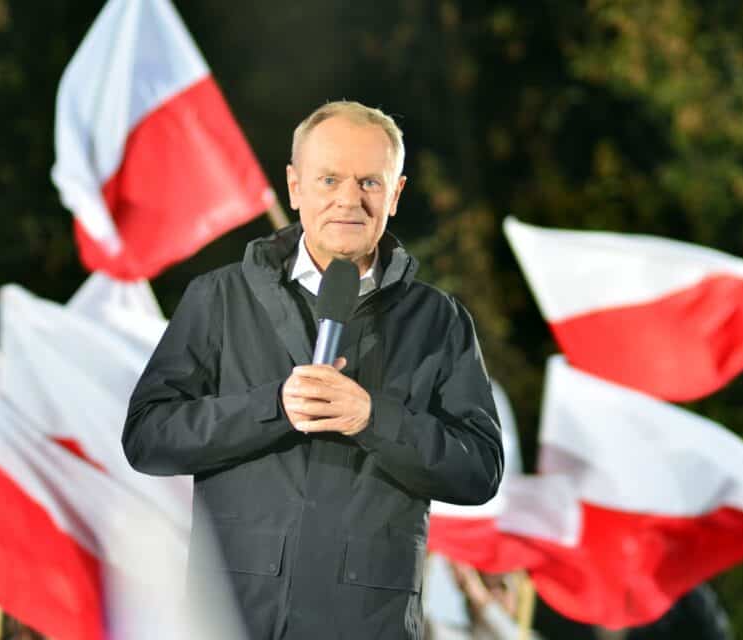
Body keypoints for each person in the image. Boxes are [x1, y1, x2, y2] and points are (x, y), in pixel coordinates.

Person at [123, 100, 504, 639]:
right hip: (234, 619)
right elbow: (147, 437)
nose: (350, 199)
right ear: (295, 186)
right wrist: (272, 407)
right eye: (329, 179)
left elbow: (479, 470)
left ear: (395, 195)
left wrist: (372, 419)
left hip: (368, 625)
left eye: (370, 182)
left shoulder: (438, 321)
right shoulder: (220, 298)